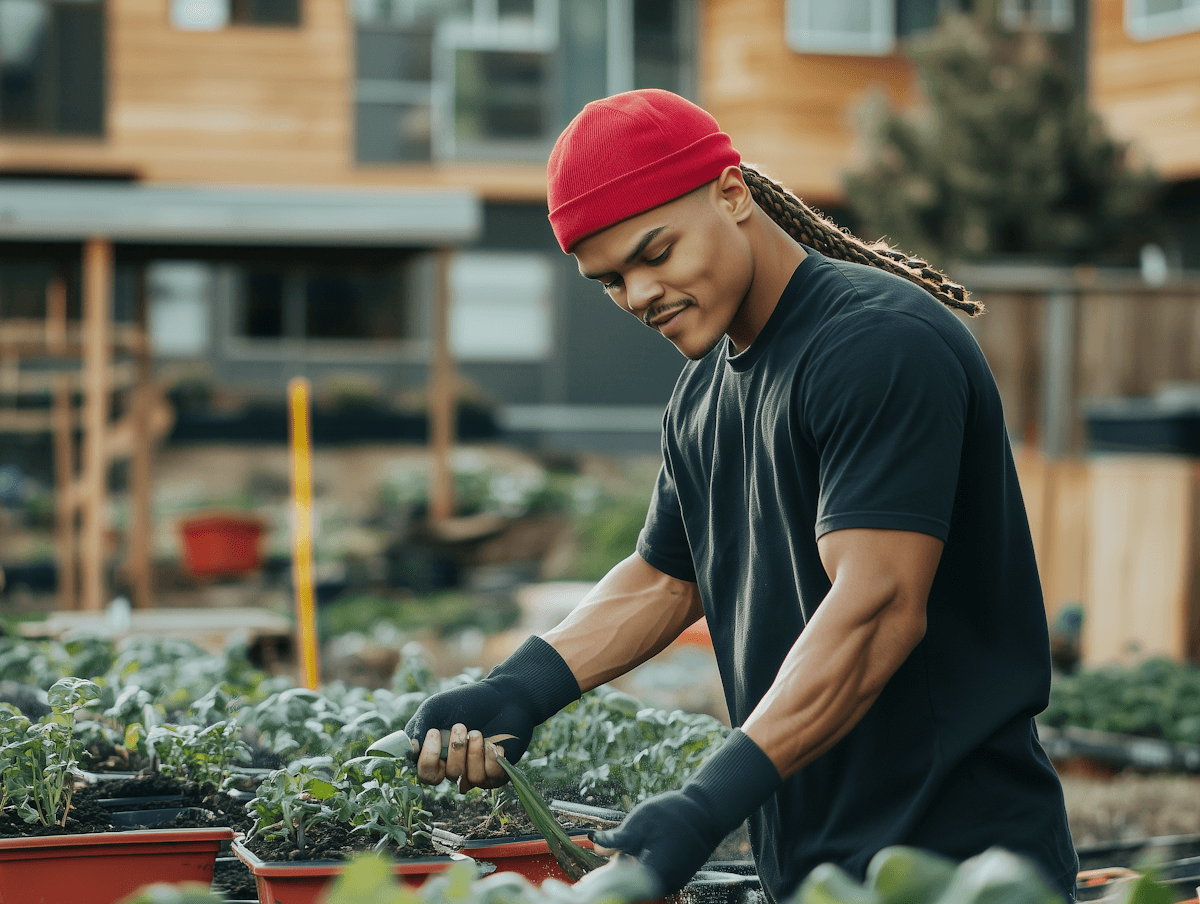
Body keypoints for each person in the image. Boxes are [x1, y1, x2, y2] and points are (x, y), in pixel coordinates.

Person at [405, 89, 1079, 904]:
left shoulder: (876, 345)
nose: (638, 295)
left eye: (655, 253)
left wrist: (705, 802)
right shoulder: (700, 396)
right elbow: (665, 578)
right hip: (811, 865)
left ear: (732, 195)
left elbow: (878, 606)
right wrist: (517, 687)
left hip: (958, 864)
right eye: (610, 279)